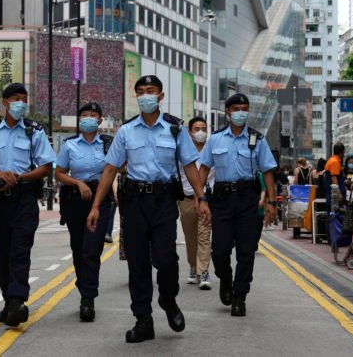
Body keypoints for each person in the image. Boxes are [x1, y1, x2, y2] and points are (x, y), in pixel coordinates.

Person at [86, 75, 211, 343]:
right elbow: (110, 169)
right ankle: (143, 319)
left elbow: (190, 166)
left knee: (166, 259)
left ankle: (168, 299)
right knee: (138, 263)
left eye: (151, 91)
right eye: (141, 91)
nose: (146, 96)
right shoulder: (127, 131)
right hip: (134, 203)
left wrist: (202, 199)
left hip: (164, 201)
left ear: (161, 96)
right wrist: (96, 206)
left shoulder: (175, 129)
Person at [0, 83, 55, 327]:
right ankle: (9, 302)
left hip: (24, 198)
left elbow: (46, 165)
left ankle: (18, 301)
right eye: (15, 98)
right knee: (4, 251)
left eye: (24, 98)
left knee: (20, 249)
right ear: (5, 102)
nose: (20, 103)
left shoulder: (34, 132)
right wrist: (0, 174)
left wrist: (20, 177)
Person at [198, 93, 277, 318]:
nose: (241, 112)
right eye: (237, 108)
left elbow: (268, 170)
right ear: (228, 112)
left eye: (245, 108)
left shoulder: (257, 140)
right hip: (222, 200)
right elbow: (203, 168)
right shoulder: (215, 139)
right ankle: (225, 277)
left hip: (247, 201)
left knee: (246, 251)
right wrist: (201, 198)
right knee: (219, 250)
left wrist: (272, 202)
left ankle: (240, 295)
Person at [55, 102, 113, 322]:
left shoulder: (108, 144)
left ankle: (88, 298)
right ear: (79, 120)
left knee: (92, 249)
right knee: (78, 249)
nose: (89, 118)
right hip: (75, 200)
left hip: (101, 199)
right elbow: (59, 173)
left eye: (93, 115)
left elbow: (114, 169)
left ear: (100, 120)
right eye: (85, 115)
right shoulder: (70, 145)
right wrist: (78, 183)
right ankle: (84, 284)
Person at [177, 116, 214, 289]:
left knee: (204, 236)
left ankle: (204, 271)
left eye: (204, 129)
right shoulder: (182, 151)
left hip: (207, 200)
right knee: (190, 237)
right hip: (186, 199)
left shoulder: (212, 149)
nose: (201, 132)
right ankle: (193, 266)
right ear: (190, 132)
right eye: (197, 128)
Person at [325, 143, 346, 207]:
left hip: (331, 193)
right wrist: (339, 193)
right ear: (342, 151)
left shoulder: (331, 160)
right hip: (334, 195)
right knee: (336, 214)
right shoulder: (335, 162)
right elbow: (334, 178)